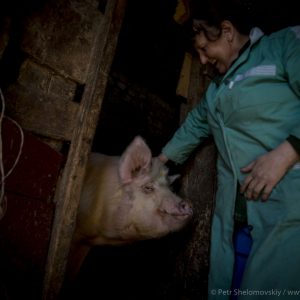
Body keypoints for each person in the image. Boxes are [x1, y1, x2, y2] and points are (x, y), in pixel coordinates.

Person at [159, 0, 300, 299]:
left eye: (203, 49)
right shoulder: (215, 92)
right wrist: (159, 163)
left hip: (288, 206)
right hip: (238, 219)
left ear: (226, 31)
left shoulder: (283, 45)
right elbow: (196, 125)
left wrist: (286, 153)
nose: (202, 60)